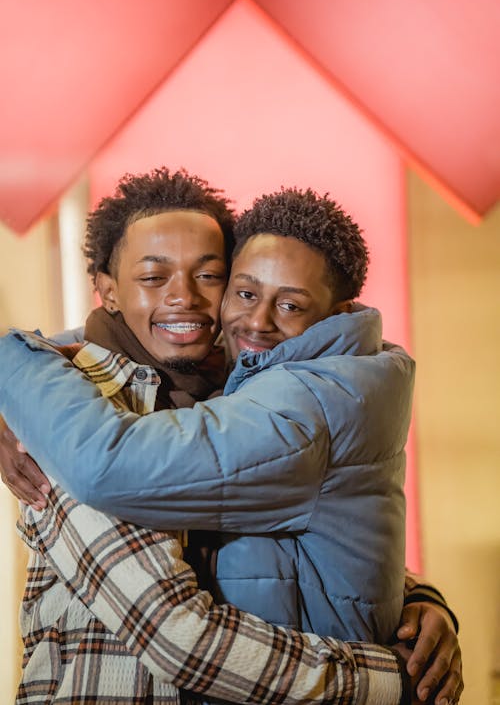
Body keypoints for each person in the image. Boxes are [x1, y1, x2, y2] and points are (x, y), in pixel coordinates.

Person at [0, 177, 463, 704]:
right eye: (153, 276)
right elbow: (178, 636)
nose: (183, 296)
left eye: (209, 275)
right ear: (106, 290)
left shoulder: (240, 388)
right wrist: (392, 677)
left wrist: (415, 600)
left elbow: (321, 533)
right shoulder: (70, 407)